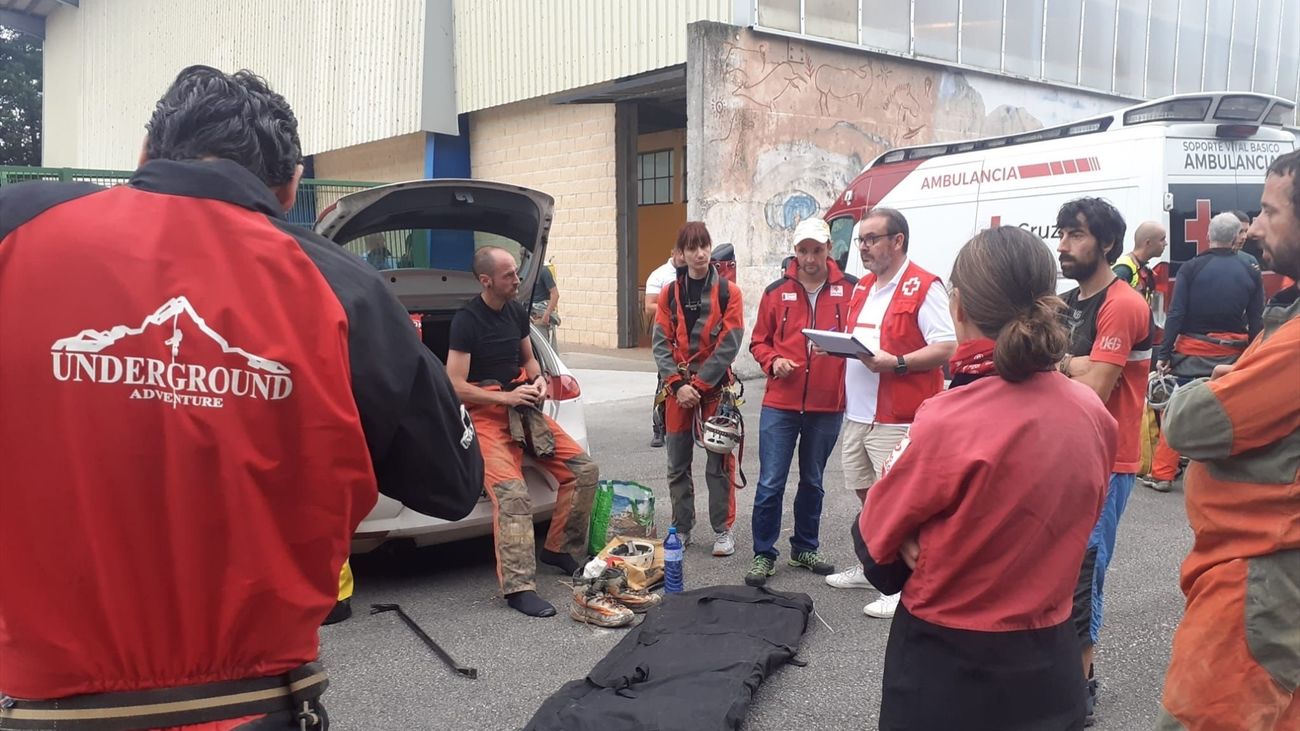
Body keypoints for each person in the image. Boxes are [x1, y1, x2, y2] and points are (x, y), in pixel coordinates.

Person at [0, 66, 483, 730]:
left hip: (40, 709)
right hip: (254, 707)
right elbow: (455, 482)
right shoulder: (346, 292)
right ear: (286, 190)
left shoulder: (19, 228)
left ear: (144, 157)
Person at [852, 225, 1115, 730]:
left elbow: (877, 545)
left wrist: (912, 530)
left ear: (958, 307)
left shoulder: (946, 418)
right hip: (1051, 663)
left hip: (951, 669)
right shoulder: (1091, 411)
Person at [1153, 151, 1300, 731]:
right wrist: (1241, 376)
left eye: (1268, 210)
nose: (1255, 226)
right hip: (1268, 572)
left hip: (1256, 577)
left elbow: (1191, 424)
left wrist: (1209, 385)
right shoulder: (1268, 298)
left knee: (1207, 716)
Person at [446, 246, 598, 618]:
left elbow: (529, 359)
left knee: (584, 472)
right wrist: (506, 397)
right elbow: (455, 385)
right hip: (487, 415)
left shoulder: (515, 312)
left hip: (525, 409)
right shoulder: (466, 321)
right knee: (513, 495)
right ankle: (518, 589)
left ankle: (560, 548)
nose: (517, 280)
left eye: (516, 272)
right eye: (508, 275)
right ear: (486, 281)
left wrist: (539, 380)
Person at [824, 209, 956, 620]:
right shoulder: (863, 285)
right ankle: (874, 565)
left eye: (871, 238)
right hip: (858, 414)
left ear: (897, 241)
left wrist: (897, 362)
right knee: (867, 495)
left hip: (897, 415)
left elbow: (945, 346)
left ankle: (904, 585)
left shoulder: (923, 285)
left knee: (899, 502)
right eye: (860, 239)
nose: (861, 247)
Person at [1055, 196, 1153, 722]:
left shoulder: (1123, 303)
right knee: (1058, 572)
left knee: (1083, 580)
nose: (1063, 245)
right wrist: (1074, 362)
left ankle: (1081, 690)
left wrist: (1064, 360)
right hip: (1068, 456)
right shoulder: (1069, 301)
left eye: (1076, 234)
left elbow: (1095, 386)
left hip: (1108, 462)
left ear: (1108, 243)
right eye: (1061, 234)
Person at [744, 217, 856, 586]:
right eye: (803, 250)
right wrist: (772, 361)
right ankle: (763, 554)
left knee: (813, 481)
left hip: (827, 405)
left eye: (817, 250)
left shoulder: (852, 290)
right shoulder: (776, 292)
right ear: (795, 251)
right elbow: (759, 341)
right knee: (771, 482)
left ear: (829, 250)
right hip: (782, 403)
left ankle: (804, 547)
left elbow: (864, 341)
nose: (810, 258)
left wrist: (841, 352)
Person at [1144, 212, 1263, 493]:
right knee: (1231, 410)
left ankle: (1162, 473)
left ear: (1208, 235)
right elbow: (1256, 317)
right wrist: (1256, 352)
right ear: (1237, 238)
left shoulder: (1192, 268)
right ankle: (1230, 474)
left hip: (1190, 354)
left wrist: (1164, 353)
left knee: (1178, 410)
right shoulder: (1251, 266)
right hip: (1233, 354)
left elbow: (1176, 313)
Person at [651, 221, 746, 557]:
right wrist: (678, 385)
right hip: (678, 389)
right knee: (677, 463)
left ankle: (722, 530)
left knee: (718, 463)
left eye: (704, 245)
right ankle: (682, 527)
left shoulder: (728, 292)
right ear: (681, 253)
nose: (700, 253)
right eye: (692, 247)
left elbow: (730, 341)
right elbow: (660, 341)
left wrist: (699, 384)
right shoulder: (668, 293)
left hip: (715, 390)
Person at [645, 249, 686, 448]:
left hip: (687, 338)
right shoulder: (660, 275)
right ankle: (658, 428)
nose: (685, 259)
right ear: (674, 252)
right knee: (664, 381)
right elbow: (649, 306)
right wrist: (672, 310)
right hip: (667, 335)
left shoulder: (693, 273)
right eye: (682, 254)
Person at [1112, 221, 1167, 308]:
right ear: (1148, 243)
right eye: (1162, 239)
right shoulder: (1124, 269)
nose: (1166, 243)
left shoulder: (1142, 267)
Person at [530, 259, 560, 334]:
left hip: (539, 314)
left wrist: (547, 314)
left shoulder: (543, 271)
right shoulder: (526, 272)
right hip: (528, 311)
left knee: (540, 342)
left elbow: (555, 294)